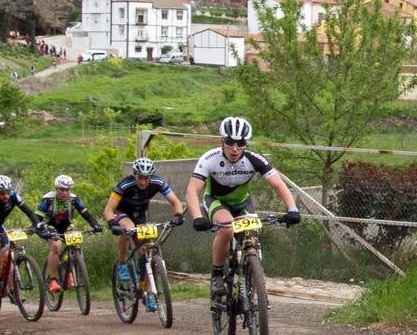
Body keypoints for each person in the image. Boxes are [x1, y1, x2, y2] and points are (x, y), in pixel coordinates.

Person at [187, 116, 300, 300]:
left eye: (240, 143)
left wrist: (292, 209)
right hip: (217, 201)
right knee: (227, 228)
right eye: (230, 142)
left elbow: (279, 186)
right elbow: (192, 191)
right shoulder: (209, 158)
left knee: (252, 240)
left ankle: (251, 275)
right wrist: (197, 216)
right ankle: (217, 274)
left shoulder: (254, 159)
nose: (235, 149)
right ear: (221, 140)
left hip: (242, 204)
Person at [102, 157, 185, 311]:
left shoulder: (158, 182)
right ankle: (122, 264)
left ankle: (147, 293)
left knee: (147, 253)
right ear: (135, 175)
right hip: (122, 213)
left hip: (140, 214)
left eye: (147, 178)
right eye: (140, 178)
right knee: (127, 228)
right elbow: (108, 210)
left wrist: (178, 215)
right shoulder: (124, 184)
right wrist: (112, 223)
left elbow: (175, 201)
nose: (143, 182)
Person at [35, 174, 102, 293]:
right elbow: (37, 218)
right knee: (56, 246)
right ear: (56, 189)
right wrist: (40, 229)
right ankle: (53, 280)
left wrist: (95, 225)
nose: (65, 193)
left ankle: (69, 270)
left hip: (66, 226)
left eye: (67, 190)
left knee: (76, 244)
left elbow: (85, 213)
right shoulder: (48, 199)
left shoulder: (74, 198)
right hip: (50, 226)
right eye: (62, 190)